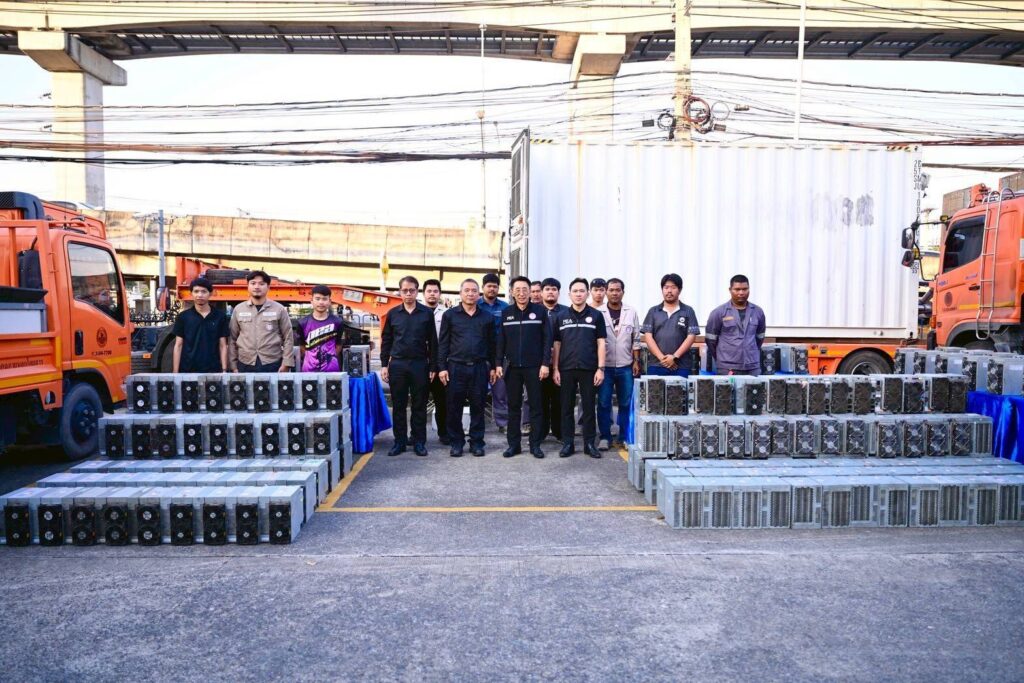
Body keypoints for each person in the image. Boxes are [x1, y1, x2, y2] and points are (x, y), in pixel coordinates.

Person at [380, 276, 438, 457]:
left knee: (419, 405)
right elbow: (386, 340)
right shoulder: (393, 313)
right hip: (398, 364)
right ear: (400, 292)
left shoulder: (426, 313)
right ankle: (399, 442)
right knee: (399, 405)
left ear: (417, 291)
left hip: (420, 364)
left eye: (412, 290)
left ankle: (419, 441)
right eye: (404, 290)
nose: (408, 294)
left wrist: (433, 366)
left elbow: (433, 342)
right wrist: (384, 365)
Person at [496, 276, 552, 459]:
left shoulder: (540, 312)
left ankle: (535, 445)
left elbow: (547, 340)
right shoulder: (506, 313)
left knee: (536, 406)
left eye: (524, 289)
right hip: (512, 367)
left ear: (531, 292)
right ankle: (514, 445)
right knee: (513, 407)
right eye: (517, 290)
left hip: (534, 367)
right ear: (512, 292)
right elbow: (501, 341)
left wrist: (545, 364)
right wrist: (498, 364)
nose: (521, 293)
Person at [439, 279, 496, 457]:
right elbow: (443, 343)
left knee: (478, 407)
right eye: (467, 290)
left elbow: (492, 344)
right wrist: (442, 367)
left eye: (474, 291)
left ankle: (477, 443)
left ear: (479, 294)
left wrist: (493, 367)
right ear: (460, 293)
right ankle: (456, 442)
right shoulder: (450, 315)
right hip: (455, 367)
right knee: (453, 407)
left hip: (479, 368)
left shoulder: (487, 317)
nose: (470, 294)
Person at [552, 278, 607, 458]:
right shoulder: (561, 316)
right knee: (566, 408)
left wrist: (600, 368)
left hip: (589, 368)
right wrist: (555, 369)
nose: (578, 294)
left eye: (582, 291)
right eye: (575, 291)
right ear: (569, 294)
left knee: (589, 407)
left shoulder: (596, 316)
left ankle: (589, 444)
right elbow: (557, 344)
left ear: (587, 293)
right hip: (566, 368)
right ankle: (568, 443)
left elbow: (601, 343)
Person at [597, 278, 641, 450]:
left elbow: (636, 339)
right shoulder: (598, 312)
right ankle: (605, 436)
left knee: (625, 403)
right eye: (611, 290)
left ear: (623, 292)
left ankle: (624, 436)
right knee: (603, 403)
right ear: (606, 292)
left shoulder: (631, 312)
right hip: (605, 367)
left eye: (618, 290)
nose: (614, 293)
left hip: (625, 365)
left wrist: (636, 361)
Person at [229, 270, 294, 373]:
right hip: (245, 363)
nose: (257, 287)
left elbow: (288, 337)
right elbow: (232, 338)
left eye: (261, 284)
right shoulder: (239, 309)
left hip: (272, 363)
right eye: (253, 283)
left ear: (268, 287)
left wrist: (286, 363)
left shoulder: (279, 309)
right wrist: (233, 365)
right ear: (248, 286)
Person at [705, 274, 766, 376]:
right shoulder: (719, 312)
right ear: (730, 290)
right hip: (727, 367)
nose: (741, 293)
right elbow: (710, 340)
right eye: (737, 289)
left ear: (749, 289)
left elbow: (759, 338)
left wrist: (749, 351)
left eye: (744, 289)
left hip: (752, 367)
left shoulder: (758, 312)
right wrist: (722, 357)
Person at [641, 273, 699, 377]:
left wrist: (674, 357)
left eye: (673, 287)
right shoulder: (653, 311)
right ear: (662, 290)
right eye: (666, 287)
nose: (669, 291)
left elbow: (691, 337)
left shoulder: (688, 311)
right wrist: (662, 359)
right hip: (656, 365)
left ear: (680, 290)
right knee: (654, 389)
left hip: (681, 366)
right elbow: (648, 337)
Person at [172, 277, 229, 373]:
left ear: (210, 293)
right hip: (188, 370)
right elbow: (178, 345)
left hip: (213, 370)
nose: (200, 295)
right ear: (191, 293)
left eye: (204, 291)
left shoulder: (220, 316)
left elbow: (223, 345)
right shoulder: (183, 317)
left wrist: (224, 370)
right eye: (196, 291)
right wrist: (175, 372)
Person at [478, 273, 510, 432]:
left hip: (500, 355)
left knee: (500, 391)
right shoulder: (476, 305)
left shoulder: (505, 307)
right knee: (477, 391)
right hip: (480, 353)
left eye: (495, 286)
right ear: (483, 287)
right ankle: (477, 423)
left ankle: (503, 423)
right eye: (489, 286)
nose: (492, 289)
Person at [538, 277, 567, 444]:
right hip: (539, 364)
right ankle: (540, 432)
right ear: (541, 292)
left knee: (559, 399)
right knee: (539, 399)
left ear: (558, 293)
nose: (550, 292)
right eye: (547, 289)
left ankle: (559, 432)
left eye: (554, 289)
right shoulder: (535, 311)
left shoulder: (565, 312)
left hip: (561, 363)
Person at [422, 278, 450, 445]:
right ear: (423, 293)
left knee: (442, 401)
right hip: (421, 362)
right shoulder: (417, 311)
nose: (432, 294)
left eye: (435, 291)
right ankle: (417, 435)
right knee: (419, 402)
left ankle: (444, 433)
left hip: (441, 363)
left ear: (440, 294)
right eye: (429, 291)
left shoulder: (447, 313)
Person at [298, 284, 344, 372]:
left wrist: (330, 358)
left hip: (331, 370)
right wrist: (311, 358)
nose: (321, 302)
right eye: (317, 299)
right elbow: (302, 346)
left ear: (329, 301)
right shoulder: (302, 323)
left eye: (324, 299)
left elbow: (338, 345)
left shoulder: (338, 322)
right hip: (309, 370)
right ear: (311, 301)